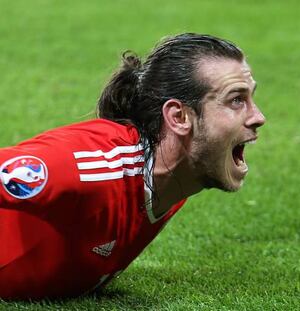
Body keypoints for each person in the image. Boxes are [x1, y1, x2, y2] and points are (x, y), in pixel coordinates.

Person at [0, 33, 265, 299]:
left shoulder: (174, 180)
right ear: (179, 117)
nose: (258, 117)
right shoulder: (91, 167)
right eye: (236, 100)